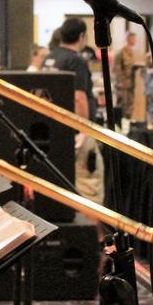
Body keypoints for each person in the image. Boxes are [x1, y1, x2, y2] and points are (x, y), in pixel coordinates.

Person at [42, 17, 103, 204]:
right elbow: (79, 97)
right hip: (76, 132)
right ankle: (94, 231)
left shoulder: (49, 57)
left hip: (53, 128)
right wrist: (83, 130)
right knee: (90, 182)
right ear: (82, 36)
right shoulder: (76, 61)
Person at [113, 32, 137, 121]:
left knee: (129, 106)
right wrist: (119, 81)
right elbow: (116, 67)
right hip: (122, 83)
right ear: (129, 39)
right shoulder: (121, 52)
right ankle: (119, 124)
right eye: (134, 38)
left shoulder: (131, 52)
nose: (135, 41)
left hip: (130, 83)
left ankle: (127, 124)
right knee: (122, 105)